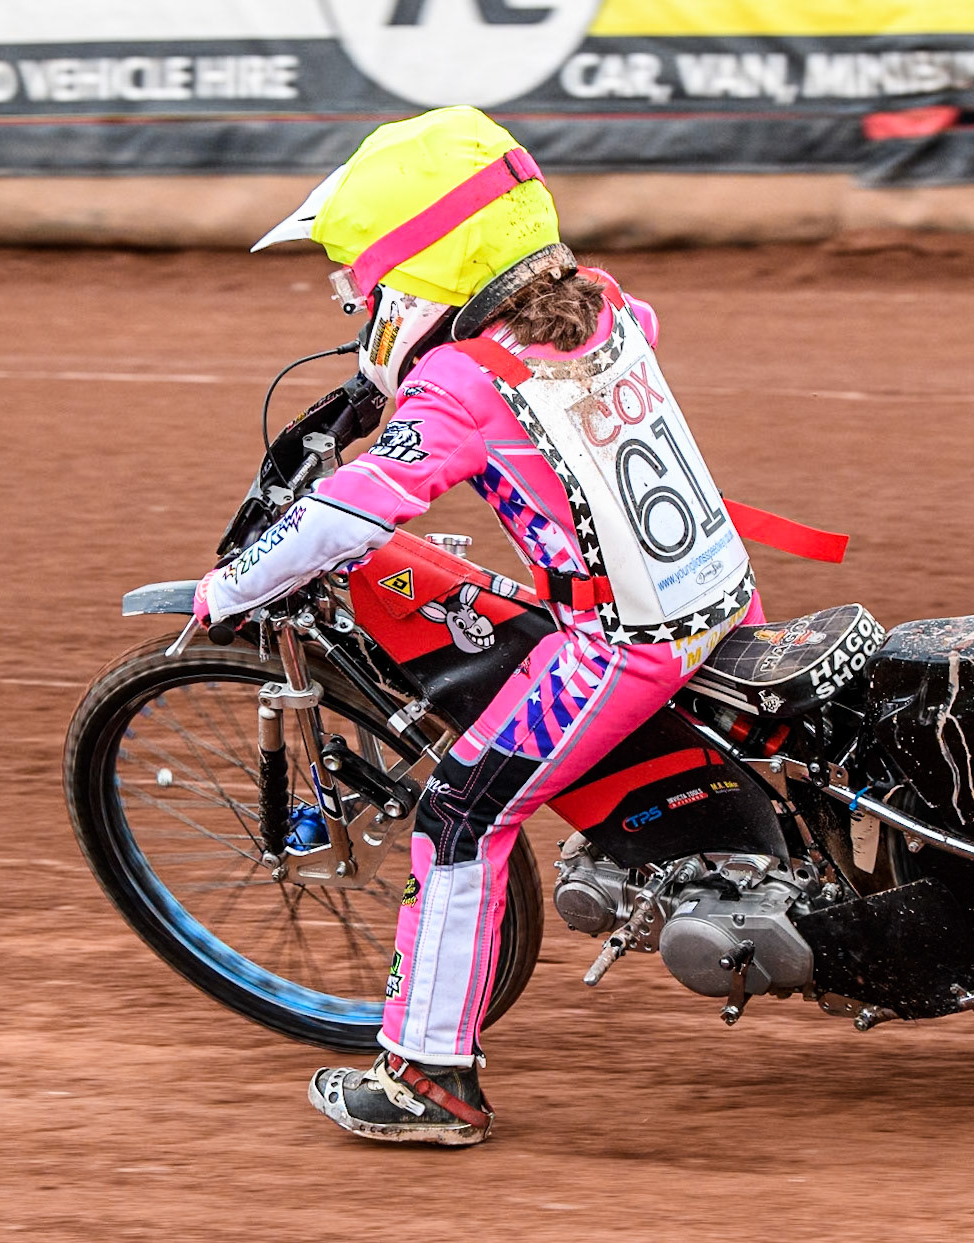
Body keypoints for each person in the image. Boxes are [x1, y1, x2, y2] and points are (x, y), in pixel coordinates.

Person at [194, 107, 758, 1146]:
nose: (356, 298)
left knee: (459, 816)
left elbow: (354, 506)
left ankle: (428, 1081)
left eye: (361, 277)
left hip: (619, 646)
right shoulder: (606, 309)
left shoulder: (462, 383)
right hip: (723, 598)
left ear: (420, 273)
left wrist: (229, 588)